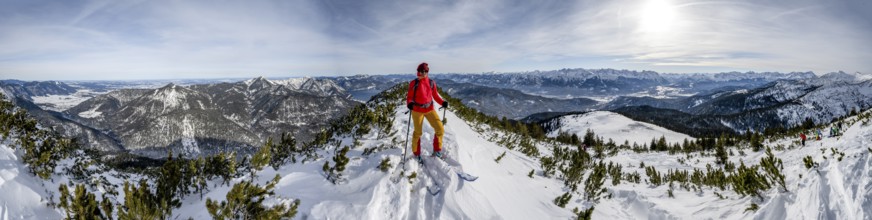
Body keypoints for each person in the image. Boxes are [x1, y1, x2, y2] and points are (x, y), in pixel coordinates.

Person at [407, 62, 448, 163]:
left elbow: (435, 96)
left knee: (440, 129)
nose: (423, 73)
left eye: (425, 71)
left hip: (429, 109)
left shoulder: (431, 83)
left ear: (427, 72)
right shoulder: (413, 83)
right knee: (418, 132)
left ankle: (437, 151)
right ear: (418, 71)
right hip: (417, 110)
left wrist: (442, 102)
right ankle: (416, 153)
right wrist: (410, 104)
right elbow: (409, 97)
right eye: (421, 71)